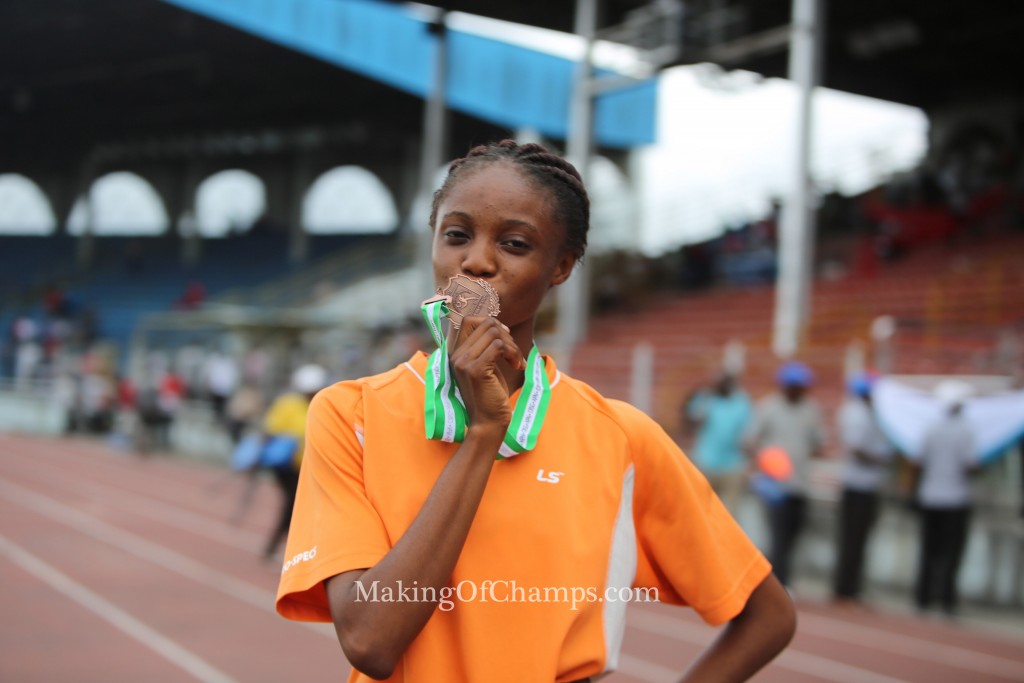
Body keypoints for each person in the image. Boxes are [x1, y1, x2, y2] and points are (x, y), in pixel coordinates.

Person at [275, 140, 795, 682]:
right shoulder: (350, 414)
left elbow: (769, 616)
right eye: (456, 235)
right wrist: (483, 436)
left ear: (561, 267)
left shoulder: (619, 437)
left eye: (516, 243)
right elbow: (370, 640)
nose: (475, 261)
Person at [745, 361, 826, 588]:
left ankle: (779, 581)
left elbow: (818, 443)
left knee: (792, 535)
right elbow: (750, 441)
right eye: (793, 385)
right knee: (777, 536)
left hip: (800, 483)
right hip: (774, 486)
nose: (797, 389)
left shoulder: (811, 410)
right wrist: (767, 462)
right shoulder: (768, 407)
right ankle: (777, 584)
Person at [912, 380, 979, 617]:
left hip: (930, 496)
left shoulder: (931, 428)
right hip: (955, 499)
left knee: (928, 550)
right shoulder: (966, 430)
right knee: (951, 554)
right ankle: (946, 600)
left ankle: (922, 598)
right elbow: (970, 466)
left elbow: (919, 462)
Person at [832, 372, 895, 607]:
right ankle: (845, 588)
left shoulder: (867, 412)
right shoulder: (856, 413)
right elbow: (856, 448)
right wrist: (881, 460)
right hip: (857, 484)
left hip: (867, 485)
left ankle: (850, 586)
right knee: (852, 538)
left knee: (858, 539)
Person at [262, 363, 327, 560]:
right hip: (287, 466)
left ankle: (286, 550)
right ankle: (284, 550)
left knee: (299, 508)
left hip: (308, 467)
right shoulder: (288, 404)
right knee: (294, 506)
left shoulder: (322, 404)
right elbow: (270, 431)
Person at [685, 372, 752, 514]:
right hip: (706, 462)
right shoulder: (706, 400)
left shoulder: (741, 402)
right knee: (702, 510)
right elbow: (691, 423)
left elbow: (747, 433)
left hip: (732, 465)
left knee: (730, 513)